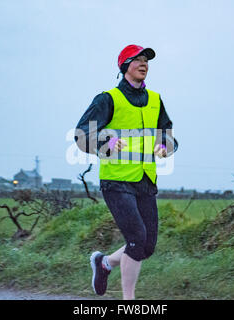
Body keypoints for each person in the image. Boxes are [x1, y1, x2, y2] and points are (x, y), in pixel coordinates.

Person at [74, 44, 178, 300]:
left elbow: (168, 135)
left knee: (147, 246)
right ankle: (128, 300)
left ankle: (105, 263)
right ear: (124, 67)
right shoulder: (107, 99)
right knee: (136, 240)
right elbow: (81, 135)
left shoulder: (155, 99)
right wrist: (105, 143)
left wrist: (165, 146)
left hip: (145, 179)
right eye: (138, 60)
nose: (144, 64)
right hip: (116, 180)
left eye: (146, 61)